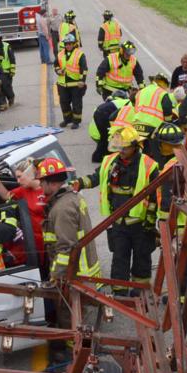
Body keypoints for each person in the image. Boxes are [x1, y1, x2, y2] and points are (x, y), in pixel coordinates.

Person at [75, 126, 159, 295]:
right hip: (119, 223)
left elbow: (154, 197)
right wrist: (78, 183)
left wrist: (150, 222)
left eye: (125, 147)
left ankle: (139, 291)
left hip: (140, 224)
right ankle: (119, 292)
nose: (121, 151)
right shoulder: (109, 162)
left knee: (142, 259)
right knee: (119, 257)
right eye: (119, 147)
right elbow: (95, 178)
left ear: (135, 146)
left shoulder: (149, 165)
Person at [39, 156, 102, 360]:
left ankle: (73, 354)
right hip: (85, 269)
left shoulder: (62, 208)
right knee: (78, 314)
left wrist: (56, 277)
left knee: (70, 315)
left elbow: (65, 249)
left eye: (42, 181)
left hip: (75, 274)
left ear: (52, 183)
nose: (39, 185)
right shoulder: (72, 198)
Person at [0, 159, 46, 259]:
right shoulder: (23, 191)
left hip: (48, 241)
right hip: (32, 243)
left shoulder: (47, 190)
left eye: (19, 177)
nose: (18, 181)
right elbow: (6, 195)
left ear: (30, 174)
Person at [55, 33, 88, 129]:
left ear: (74, 44)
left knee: (76, 103)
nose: (68, 45)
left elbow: (84, 69)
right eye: (66, 44)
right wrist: (58, 70)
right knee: (64, 103)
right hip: (63, 84)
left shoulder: (80, 54)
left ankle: (76, 121)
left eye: (70, 44)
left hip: (76, 84)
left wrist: (82, 80)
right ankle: (67, 119)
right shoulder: (60, 54)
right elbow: (56, 65)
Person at [130, 74, 176, 143]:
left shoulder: (141, 91)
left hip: (136, 125)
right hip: (153, 127)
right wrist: (168, 123)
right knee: (153, 151)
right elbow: (167, 109)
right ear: (164, 84)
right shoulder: (162, 93)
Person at [89, 87, 130, 163]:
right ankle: (100, 158)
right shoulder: (127, 102)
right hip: (103, 117)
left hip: (94, 133)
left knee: (105, 138)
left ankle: (100, 156)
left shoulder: (107, 103)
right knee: (107, 138)